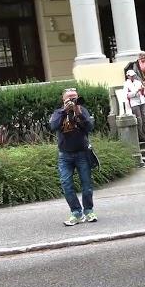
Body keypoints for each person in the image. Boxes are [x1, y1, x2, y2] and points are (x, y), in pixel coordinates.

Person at [49, 87, 97, 226]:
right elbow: (53, 126)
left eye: (75, 98)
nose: (73, 100)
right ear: (63, 100)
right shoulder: (58, 113)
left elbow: (89, 127)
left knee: (86, 184)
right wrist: (65, 111)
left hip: (82, 153)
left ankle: (88, 211)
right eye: (70, 98)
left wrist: (79, 113)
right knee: (66, 184)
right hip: (65, 155)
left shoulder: (82, 110)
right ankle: (76, 212)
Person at [124, 69, 145, 141]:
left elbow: (143, 92)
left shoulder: (138, 82)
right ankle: (141, 136)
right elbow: (127, 95)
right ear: (128, 76)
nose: (133, 77)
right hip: (134, 103)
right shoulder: (126, 84)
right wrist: (136, 91)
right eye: (131, 76)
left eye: (133, 75)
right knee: (139, 120)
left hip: (142, 101)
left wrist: (142, 90)